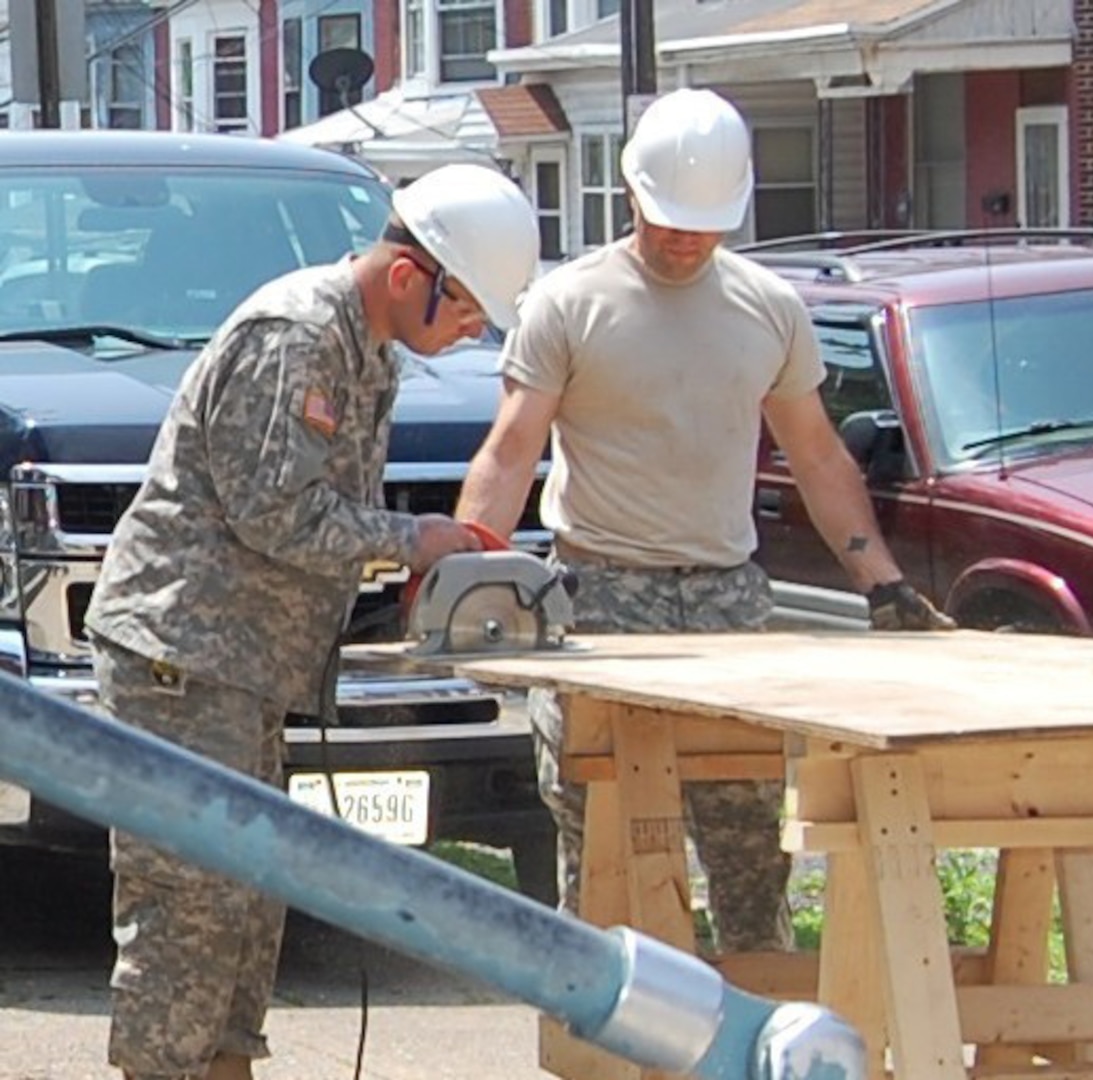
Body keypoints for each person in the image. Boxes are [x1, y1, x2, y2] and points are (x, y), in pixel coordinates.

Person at [455, 88, 953, 953]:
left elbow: (818, 455)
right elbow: (510, 451)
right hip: (602, 597)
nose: (685, 238)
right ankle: (605, 1037)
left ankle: (761, 1026)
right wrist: (468, 583)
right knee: (600, 835)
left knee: (749, 839)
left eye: (705, 223)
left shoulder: (767, 307)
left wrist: (885, 582)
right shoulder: (568, 303)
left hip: (728, 603)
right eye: (668, 219)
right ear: (632, 192)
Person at [84, 163, 540, 1080]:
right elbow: (276, 512)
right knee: (190, 900)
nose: (473, 330)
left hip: (238, 663)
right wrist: (417, 540)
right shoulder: (297, 336)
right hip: (183, 654)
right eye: (465, 309)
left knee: (250, 898)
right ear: (411, 275)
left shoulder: (362, 346)